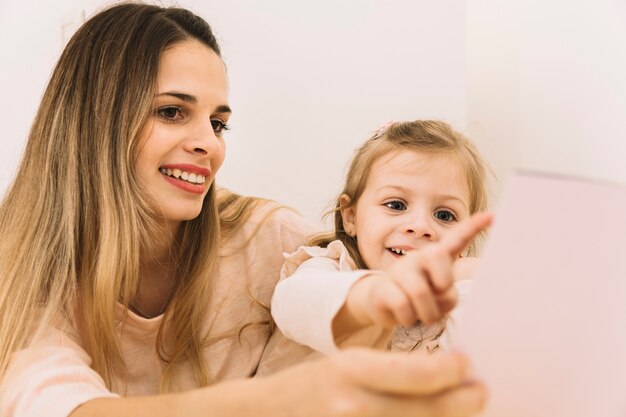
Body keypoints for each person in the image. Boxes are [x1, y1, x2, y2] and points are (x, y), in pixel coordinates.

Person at [0, 3, 487, 417]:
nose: (207, 144)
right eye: (172, 111)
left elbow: (354, 297)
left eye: (218, 123)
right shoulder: (22, 274)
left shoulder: (269, 239)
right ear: (94, 123)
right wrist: (285, 398)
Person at [272, 120, 491, 354]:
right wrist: (372, 294)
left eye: (445, 215)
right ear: (351, 217)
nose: (419, 226)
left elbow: (476, 370)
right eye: (396, 205)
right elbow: (290, 304)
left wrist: (469, 286)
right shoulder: (332, 267)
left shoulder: (457, 295)